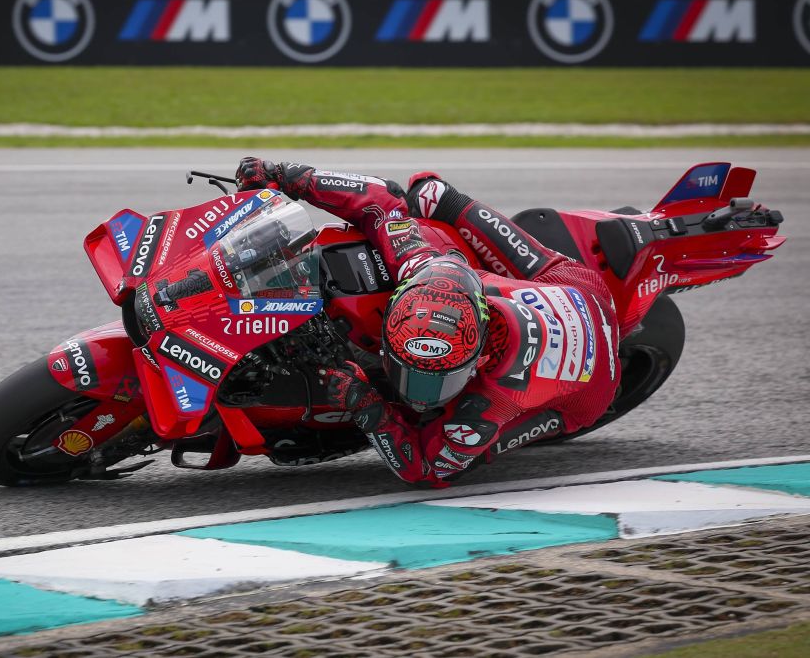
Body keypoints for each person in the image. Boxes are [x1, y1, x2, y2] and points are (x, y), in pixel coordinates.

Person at [236, 158, 621, 487]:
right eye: (409, 373)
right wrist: (288, 175)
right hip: (564, 291)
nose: (416, 395)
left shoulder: (496, 397)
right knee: (429, 193)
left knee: (463, 445)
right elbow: (382, 200)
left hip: (590, 377)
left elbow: (427, 471)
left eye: (436, 380)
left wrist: (367, 405)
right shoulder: (423, 268)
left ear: (479, 360)